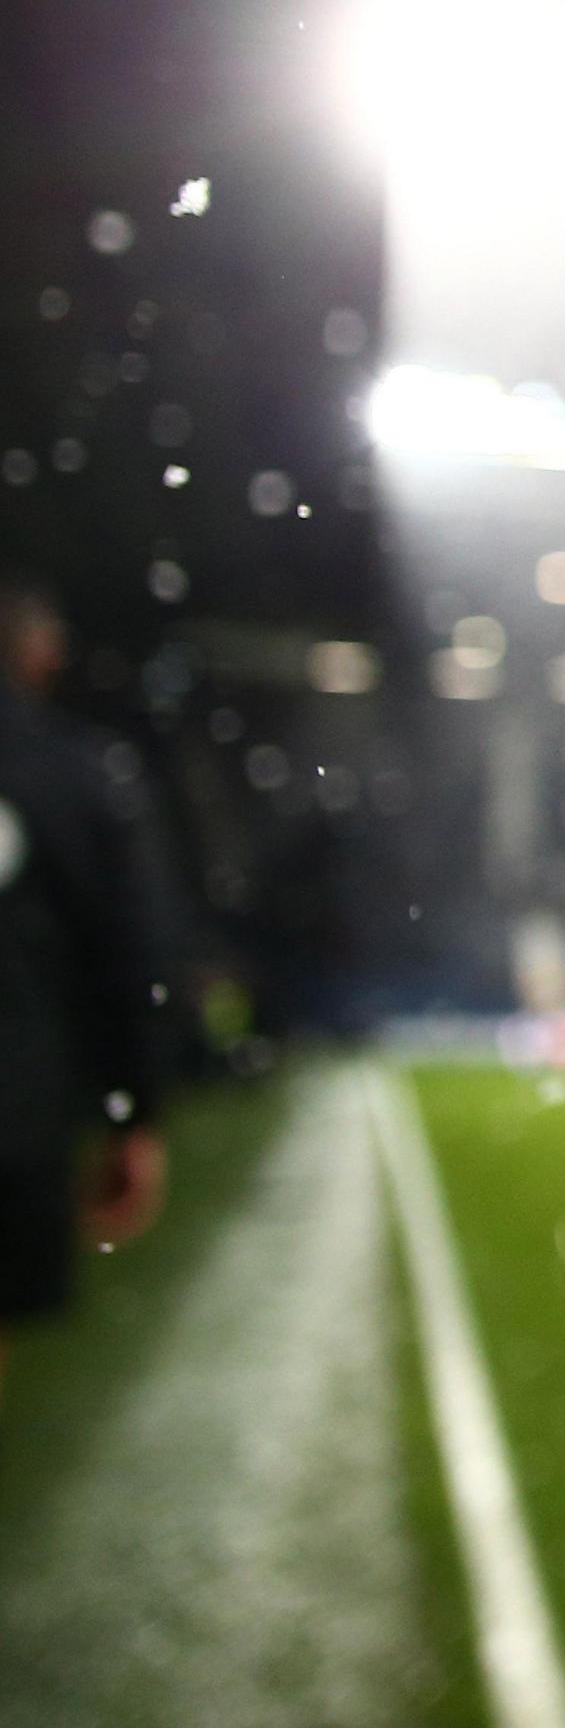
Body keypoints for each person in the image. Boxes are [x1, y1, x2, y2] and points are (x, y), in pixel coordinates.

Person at [0, 575, 179, 1400]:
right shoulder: (75, 775)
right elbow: (130, 950)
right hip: (16, 1113)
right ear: (42, 653)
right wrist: (134, 1112)